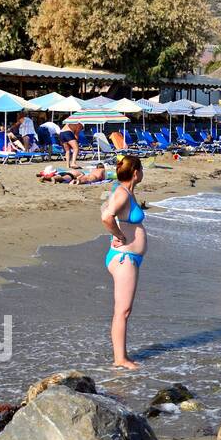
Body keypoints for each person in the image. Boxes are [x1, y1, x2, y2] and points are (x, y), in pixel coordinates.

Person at [100, 156, 147, 369]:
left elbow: (105, 209)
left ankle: (122, 355)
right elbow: (106, 217)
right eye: (142, 168)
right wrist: (118, 234)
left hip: (127, 257)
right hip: (124, 258)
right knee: (123, 311)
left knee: (124, 310)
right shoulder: (122, 193)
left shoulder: (124, 191)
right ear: (135, 172)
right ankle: (120, 359)